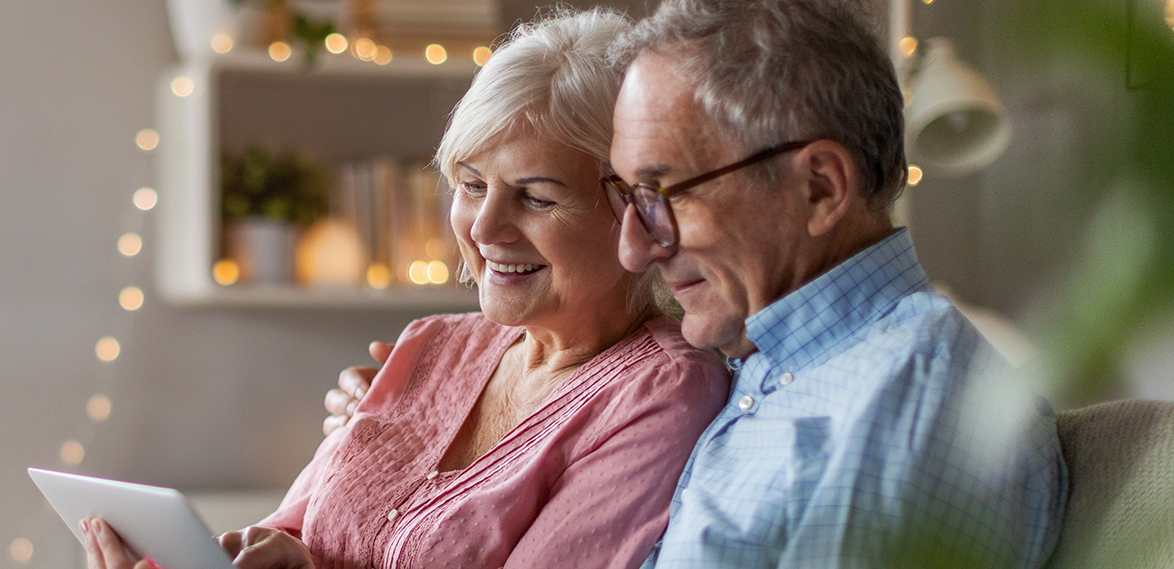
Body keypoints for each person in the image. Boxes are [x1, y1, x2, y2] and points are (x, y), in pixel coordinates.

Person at [329, 0, 1068, 566]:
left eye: (661, 194)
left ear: (818, 188)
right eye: (627, 197)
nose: (636, 243)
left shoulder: (898, 398)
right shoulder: (776, 372)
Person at [81, 9, 731, 569]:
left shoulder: (663, 392)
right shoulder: (430, 344)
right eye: (472, 185)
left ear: (634, 211)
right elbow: (292, 528)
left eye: (535, 197)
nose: (484, 227)